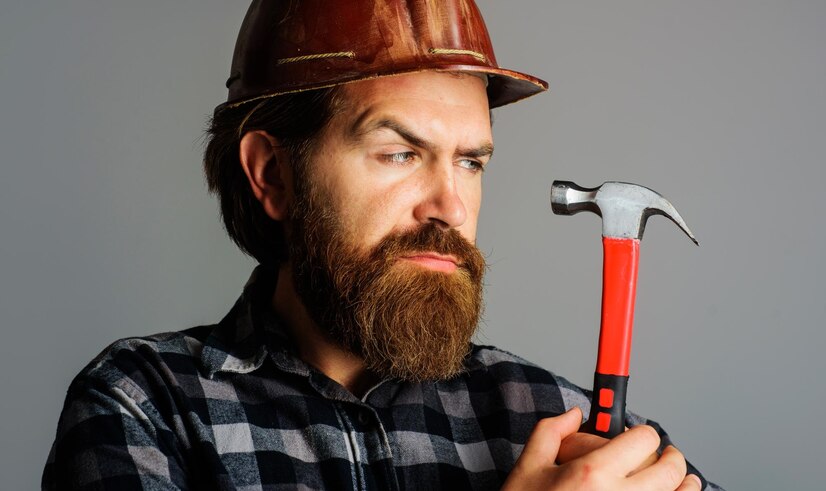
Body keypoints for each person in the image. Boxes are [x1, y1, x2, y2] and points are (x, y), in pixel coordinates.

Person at [44, 1, 721, 489]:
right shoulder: (146, 408)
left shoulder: (556, 421)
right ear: (273, 174)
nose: (451, 206)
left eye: (471, 161)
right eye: (400, 152)